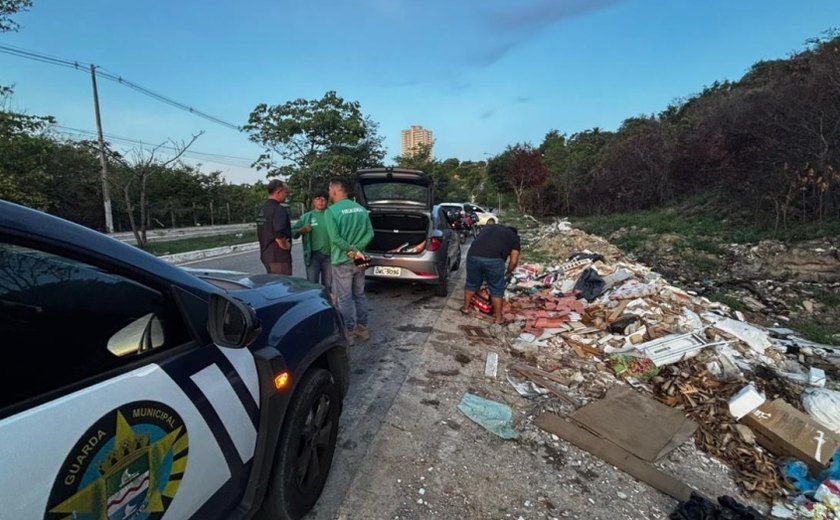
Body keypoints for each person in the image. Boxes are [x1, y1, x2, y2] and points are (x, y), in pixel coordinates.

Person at [323, 177, 374, 343]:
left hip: (341, 260)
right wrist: (358, 251)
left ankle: (349, 332)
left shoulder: (331, 211)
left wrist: (351, 251)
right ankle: (363, 329)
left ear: (335, 191)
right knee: (359, 294)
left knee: (344, 298)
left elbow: (335, 239)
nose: (329, 193)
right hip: (360, 260)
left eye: (330, 190)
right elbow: (370, 234)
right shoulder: (361, 209)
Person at [461, 224, 520, 325]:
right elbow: (514, 261)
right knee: (496, 288)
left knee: (471, 282)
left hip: (473, 255)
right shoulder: (514, 237)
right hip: (495, 261)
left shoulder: (490, 227)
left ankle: (466, 308)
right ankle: (498, 319)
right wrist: (508, 272)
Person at [292, 190, 332, 287]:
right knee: (312, 284)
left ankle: (327, 301)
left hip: (330, 255)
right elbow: (292, 233)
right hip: (313, 256)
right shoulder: (306, 217)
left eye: (323, 199)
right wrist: (302, 230)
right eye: (318, 199)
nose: (321, 202)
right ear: (313, 201)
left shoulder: (332, 215)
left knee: (328, 285)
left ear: (327, 201)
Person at [256, 179, 292, 275]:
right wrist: (285, 245)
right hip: (278, 257)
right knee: (282, 285)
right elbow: (279, 232)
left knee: (272, 282)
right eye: (286, 192)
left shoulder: (262, 209)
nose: (286, 195)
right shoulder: (279, 210)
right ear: (279, 192)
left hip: (266, 254)